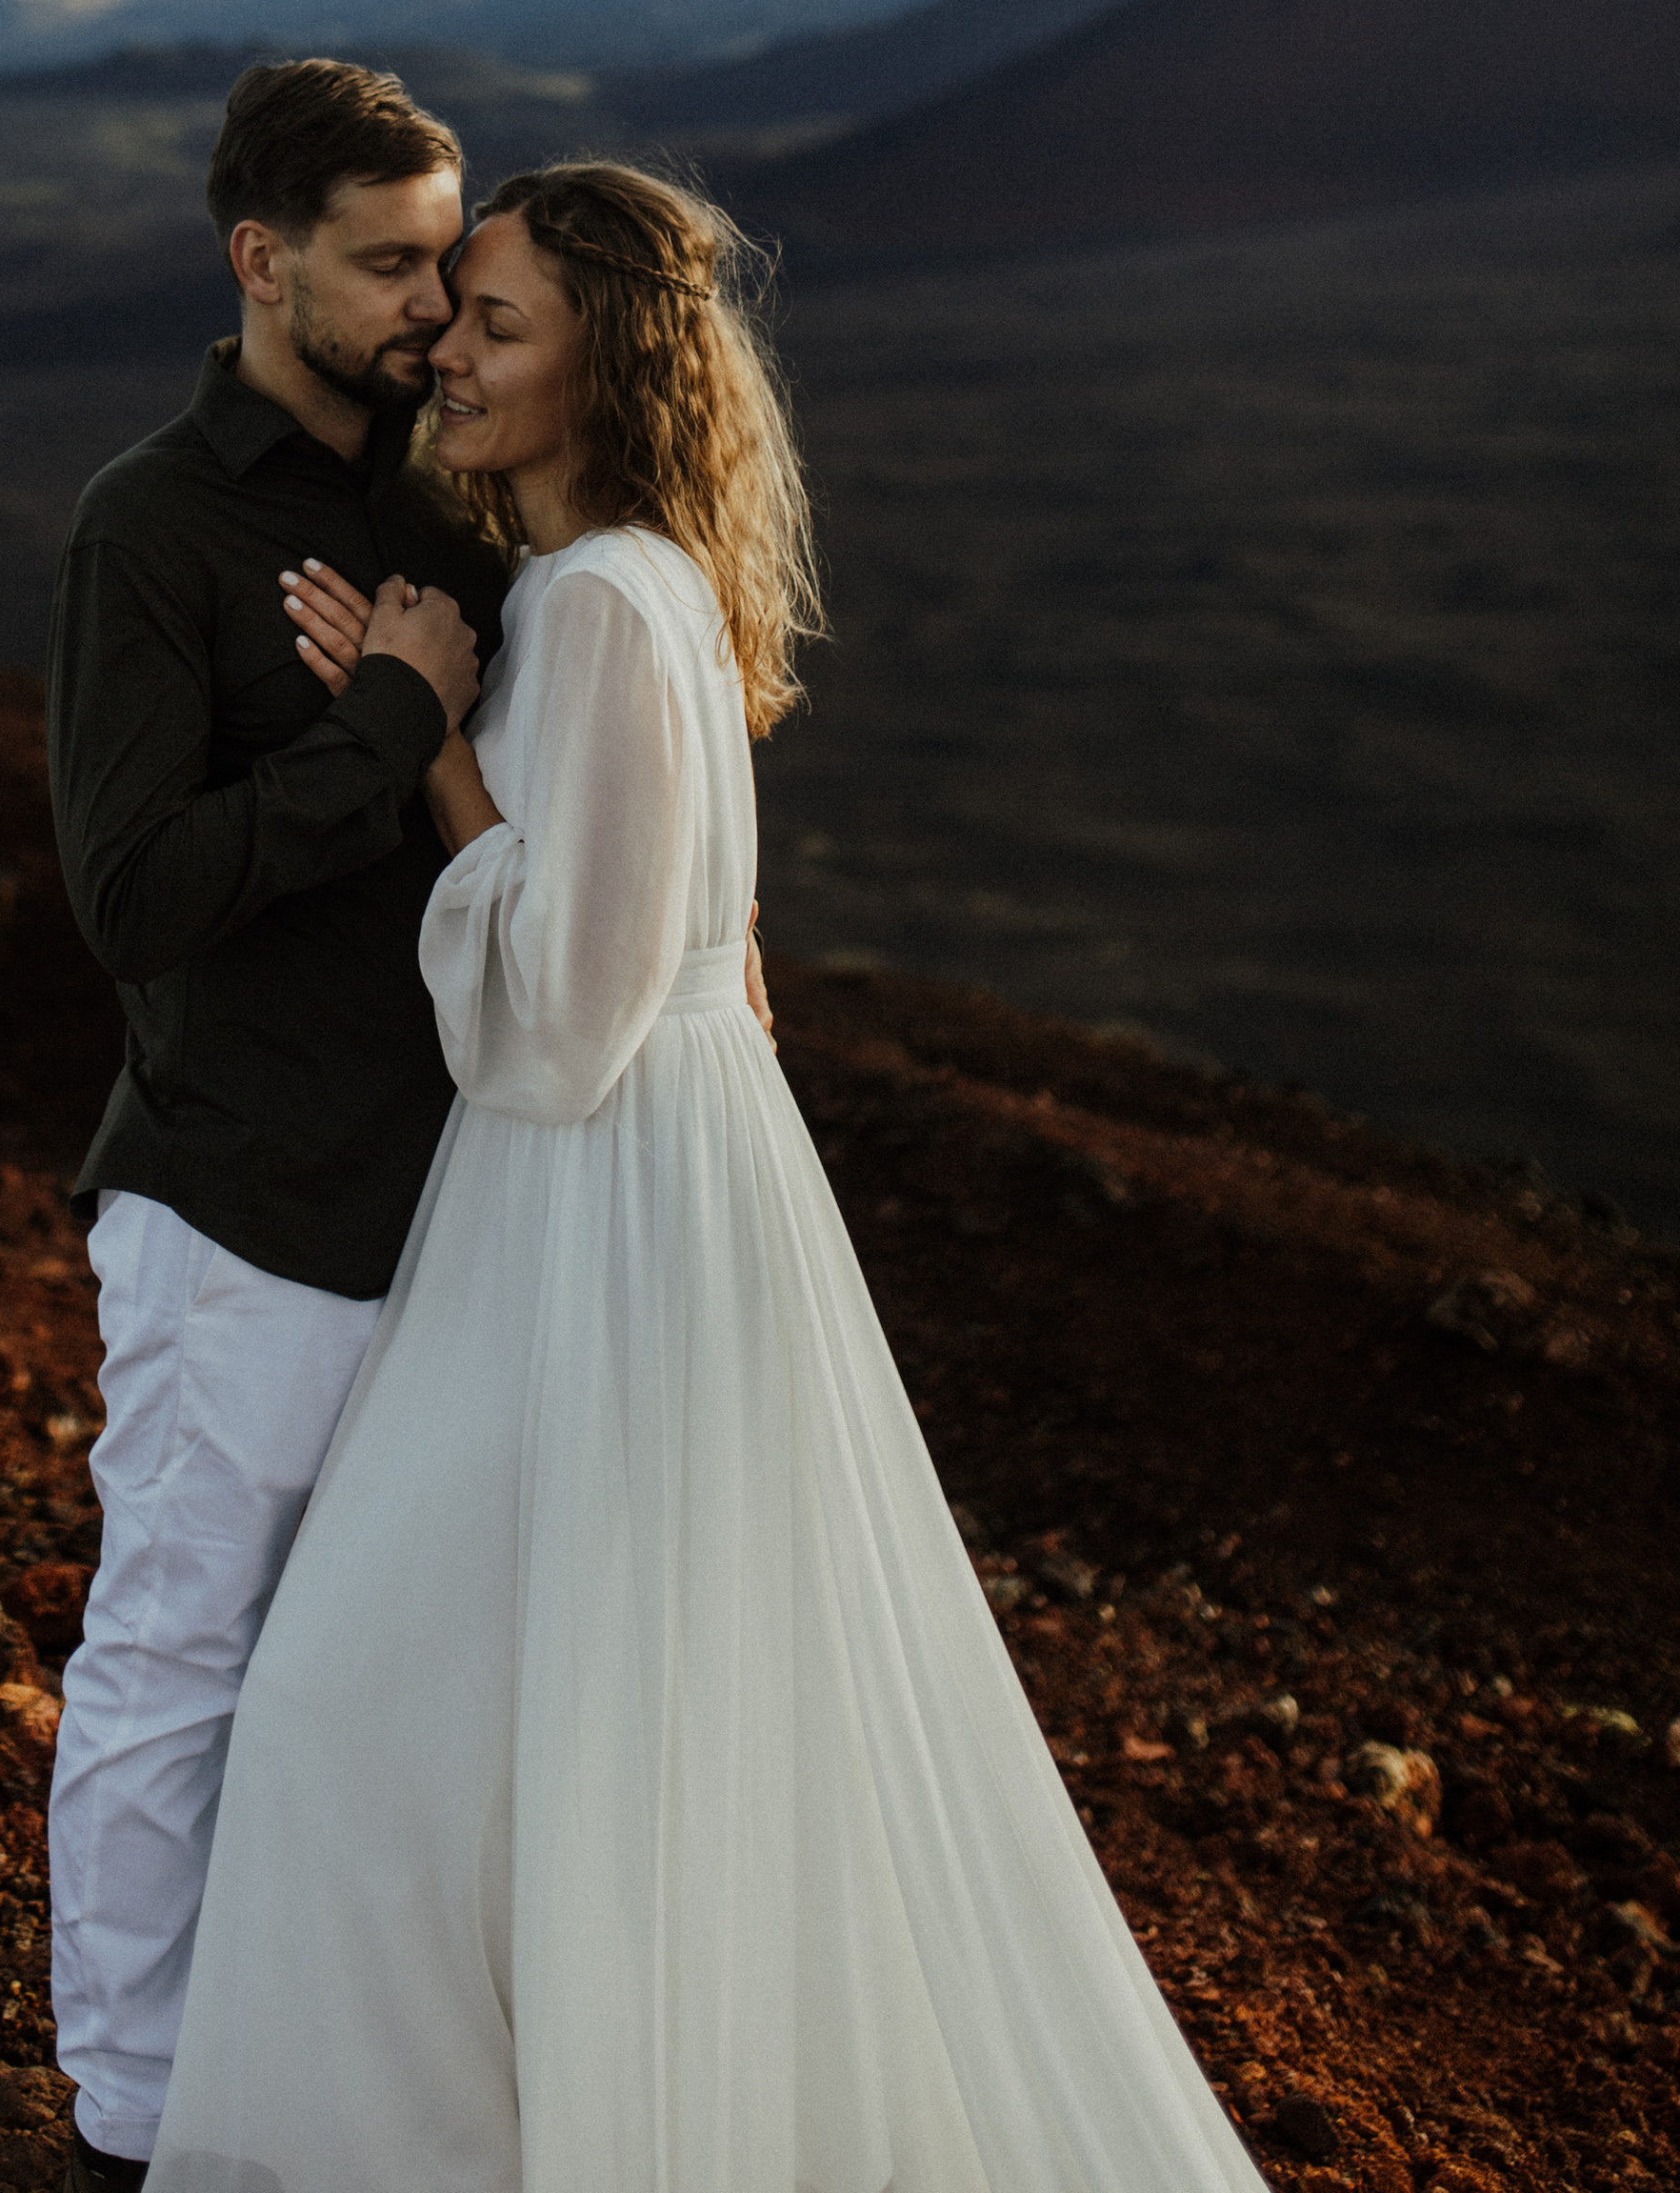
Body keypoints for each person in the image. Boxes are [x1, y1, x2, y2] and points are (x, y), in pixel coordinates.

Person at [144, 160, 1269, 2193]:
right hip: (648, 1200)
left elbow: (562, 1020)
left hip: (592, 1217)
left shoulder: (586, 603)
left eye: (494, 325)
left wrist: (420, 735)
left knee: (353, 1716)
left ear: (608, 361)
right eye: (446, 311)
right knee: (595, 1737)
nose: (443, 356)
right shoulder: (636, 585)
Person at [43, 58, 510, 2192]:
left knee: (370, 1697)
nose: (432, 304)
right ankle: (129, 2137)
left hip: (458, 1214)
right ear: (263, 261)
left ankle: (312, 2108)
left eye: (448, 258)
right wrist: (390, 732)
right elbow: (129, 891)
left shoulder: (451, 506)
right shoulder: (154, 526)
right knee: (174, 1664)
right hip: (239, 1210)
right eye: (389, 263)